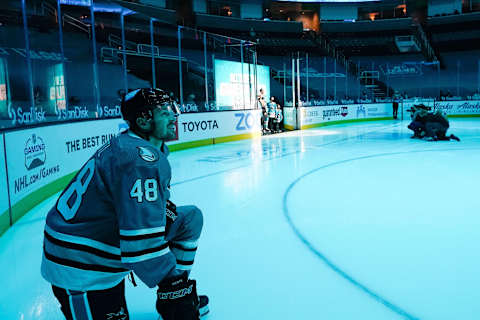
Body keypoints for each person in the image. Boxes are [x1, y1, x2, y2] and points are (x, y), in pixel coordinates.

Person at [41, 88, 209, 320]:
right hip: (80, 264)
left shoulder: (134, 145)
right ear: (143, 120)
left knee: (189, 219)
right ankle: (175, 296)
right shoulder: (139, 160)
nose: (174, 116)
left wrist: (173, 286)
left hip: (96, 241)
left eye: (173, 110)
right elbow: (142, 245)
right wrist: (176, 287)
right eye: (165, 112)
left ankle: (170, 295)